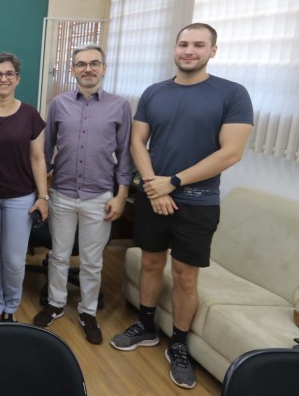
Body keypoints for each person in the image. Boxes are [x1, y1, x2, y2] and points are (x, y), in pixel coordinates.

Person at [110, 23, 253, 390]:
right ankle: (145, 325)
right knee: (151, 262)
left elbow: (231, 152)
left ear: (212, 51)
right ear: (175, 48)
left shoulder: (231, 94)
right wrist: (155, 190)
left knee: (187, 276)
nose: (190, 51)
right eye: (184, 44)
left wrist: (173, 182)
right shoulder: (155, 92)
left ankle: (179, 344)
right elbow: (138, 143)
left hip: (197, 202)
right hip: (155, 198)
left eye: (198, 45)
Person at [32, 45, 133, 345]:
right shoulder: (59, 104)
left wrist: (121, 194)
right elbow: (46, 149)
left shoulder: (120, 106)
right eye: (81, 64)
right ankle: (55, 304)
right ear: (73, 70)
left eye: (94, 64)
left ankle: (88, 312)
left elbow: (125, 153)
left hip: (99, 196)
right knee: (59, 255)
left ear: (104, 68)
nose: (87, 69)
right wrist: (43, 191)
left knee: (92, 261)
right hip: (62, 193)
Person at [0, 52, 48, 324]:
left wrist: (43, 196)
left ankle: (10, 305)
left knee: (13, 260)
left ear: (18, 79)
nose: (4, 78)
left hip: (20, 198)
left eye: (9, 73)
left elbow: (37, 158)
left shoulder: (30, 114)